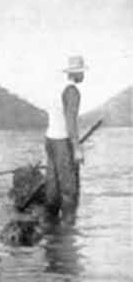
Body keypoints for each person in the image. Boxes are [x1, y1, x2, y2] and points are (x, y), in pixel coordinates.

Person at [45, 56, 86, 224]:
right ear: (76, 73)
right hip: (63, 141)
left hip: (50, 139)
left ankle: (50, 225)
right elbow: (70, 120)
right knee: (69, 189)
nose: (84, 75)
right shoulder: (72, 91)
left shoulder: (56, 88)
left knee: (52, 185)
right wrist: (76, 148)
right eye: (82, 72)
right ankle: (69, 229)